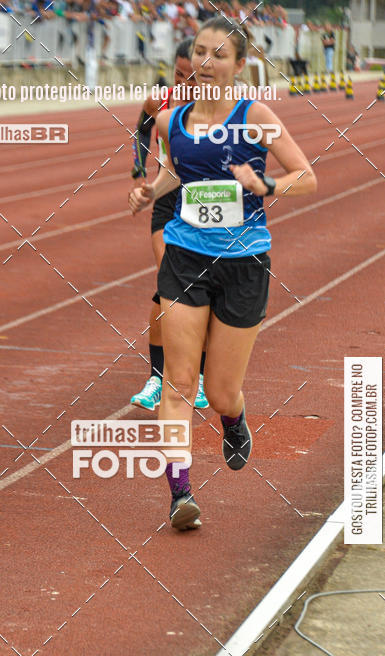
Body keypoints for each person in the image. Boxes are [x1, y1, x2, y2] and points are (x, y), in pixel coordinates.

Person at [129, 15, 317, 529]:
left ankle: (233, 421)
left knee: (220, 392)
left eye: (219, 54)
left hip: (244, 264)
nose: (206, 63)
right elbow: (175, 172)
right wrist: (150, 190)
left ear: (239, 64)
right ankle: (180, 494)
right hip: (185, 258)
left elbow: (307, 175)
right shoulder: (174, 119)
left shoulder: (254, 115)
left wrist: (266, 185)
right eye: (200, 52)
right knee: (178, 383)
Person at [130, 38, 209, 412]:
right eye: (179, 74)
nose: (184, 82)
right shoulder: (160, 102)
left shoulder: (222, 111)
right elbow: (142, 127)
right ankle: (157, 379)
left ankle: (202, 378)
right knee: (168, 285)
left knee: (202, 291)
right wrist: (140, 164)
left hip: (206, 205)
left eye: (191, 76)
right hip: (167, 200)